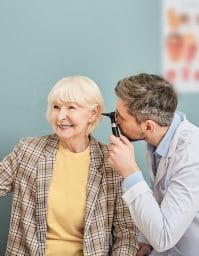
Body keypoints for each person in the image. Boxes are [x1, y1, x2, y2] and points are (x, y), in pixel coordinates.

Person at [108, 73, 199, 256]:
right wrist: (146, 241)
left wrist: (130, 172)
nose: (115, 120)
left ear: (148, 126)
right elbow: (164, 200)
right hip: (180, 245)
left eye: (120, 116)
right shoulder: (160, 137)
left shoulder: (193, 155)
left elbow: (163, 237)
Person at [0, 76, 138, 256]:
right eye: (56, 107)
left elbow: (127, 233)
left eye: (71, 107)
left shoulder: (112, 163)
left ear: (93, 113)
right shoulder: (27, 150)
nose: (60, 116)